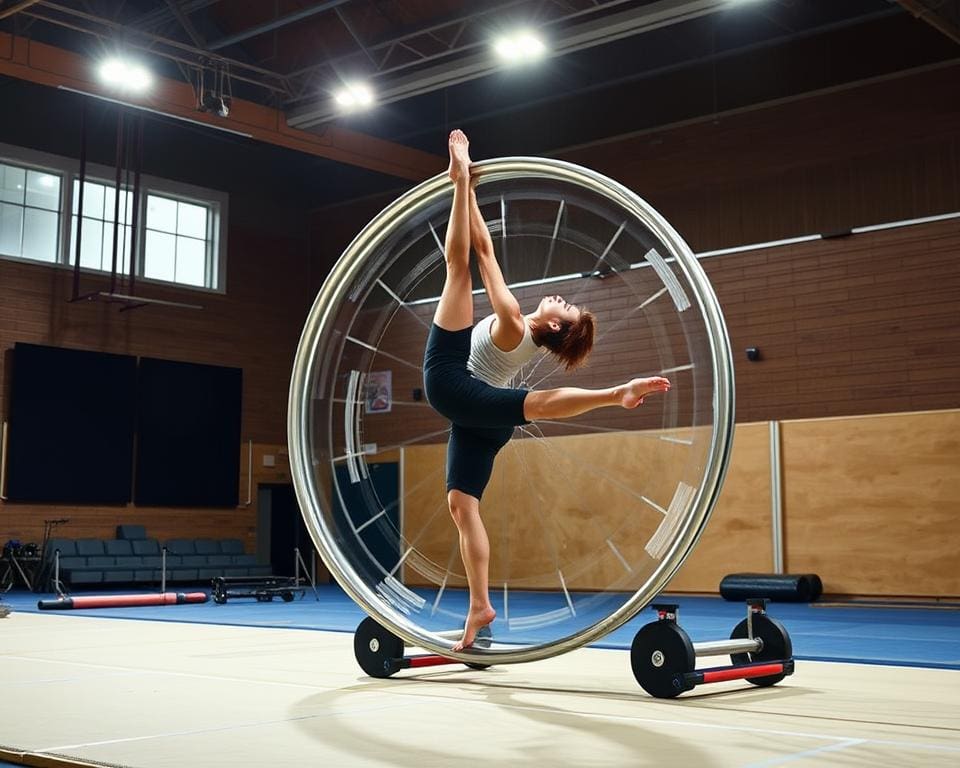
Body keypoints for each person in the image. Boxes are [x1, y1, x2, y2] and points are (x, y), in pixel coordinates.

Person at [423, 130, 671, 650]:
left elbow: (478, 252)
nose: (562, 298)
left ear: (553, 328)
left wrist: (462, 179)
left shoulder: (514, 322)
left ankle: (617, 392)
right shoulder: (526, 336)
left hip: (450, 382)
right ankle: (478, 606)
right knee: (462, 507)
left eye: (567, 309)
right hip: (478, 419)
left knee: (456, 270)